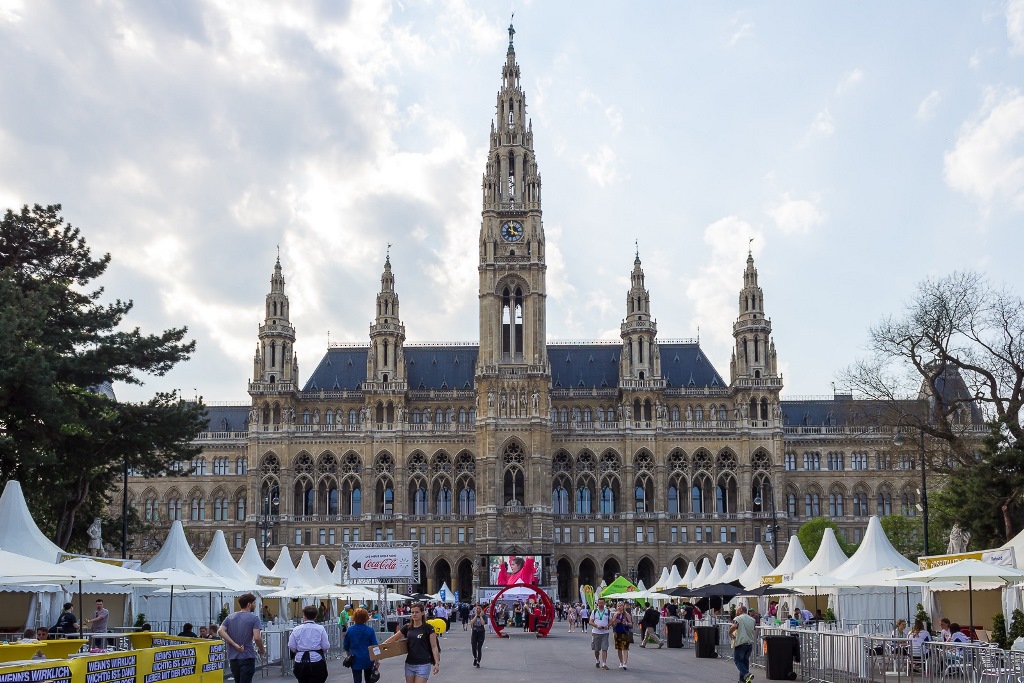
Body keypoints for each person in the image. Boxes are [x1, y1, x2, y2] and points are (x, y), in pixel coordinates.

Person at [382, 602, 439, 683]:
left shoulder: (428, 628)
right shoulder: (407, 627)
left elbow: (434, 646)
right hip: (409, 664)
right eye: (412, 612)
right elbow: (394, 638)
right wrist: (380, 648)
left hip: (423, 664)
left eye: (417, 612)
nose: (414, 614)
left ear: (422, 613)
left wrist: (437, 663)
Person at [218, 593, 265, 683]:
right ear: (249, 604)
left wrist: (234, 644)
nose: (255, 605)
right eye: (254, 603)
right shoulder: (254, 618)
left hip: (233, 657)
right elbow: (257, 638)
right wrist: (262, 649)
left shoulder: (230, 617)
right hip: (247, 655)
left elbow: (220, 631)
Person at [289, 605, 330, 683]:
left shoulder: (296, 629)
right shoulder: (320, 629)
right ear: (315, 616)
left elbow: (291, 645)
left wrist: (298, 651)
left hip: (300, 660)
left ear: (304, 616)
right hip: (316, 660)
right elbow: (325, 646)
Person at [343, 607, 379, 683]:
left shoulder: (350, 630)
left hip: (355, 658)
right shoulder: (370, 630)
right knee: (369, 679)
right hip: (368, 658)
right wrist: (377, 659)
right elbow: (375, 646)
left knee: (357, 680)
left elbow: (346, 646)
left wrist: (348, 656)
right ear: (366, 618)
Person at [729, 604, 756, 683]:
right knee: (745, 661)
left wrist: (730, 633)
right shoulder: (752, 619)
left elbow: (734, 626)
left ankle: (746, 674)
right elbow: (753, 629)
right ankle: (743, 680)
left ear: (741, 610)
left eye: (737, 609)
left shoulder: (738, 618)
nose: (735, 611)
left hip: (741, 643)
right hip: (749, 643)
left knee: (737, 661)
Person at [590, 598, 611, 671]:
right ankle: (597, 660)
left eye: (602, 603)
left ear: (604, 603)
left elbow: (611, 621)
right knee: (596, 649)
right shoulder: (594, 611)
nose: (601, 605)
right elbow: (590, 621)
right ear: (597, 604)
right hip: (596, 632)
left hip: (605, 633)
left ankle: (604, 664)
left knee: (604, 648)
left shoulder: (607, 611)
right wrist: (596, 626)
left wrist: (608, 625)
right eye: (600, 603)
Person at [611, 601, 633, 670]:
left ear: (623, 607)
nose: (619, 607)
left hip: (625, 633)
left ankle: (624, 663)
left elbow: (631, 624)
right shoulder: (615, 615)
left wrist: (626, 623)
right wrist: (615, 622)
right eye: (618, 606)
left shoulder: (627, 614)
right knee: (619, 648)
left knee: (625, 648)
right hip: (617, 632)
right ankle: (621, 662)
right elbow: (613, 625)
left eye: (621, 606)